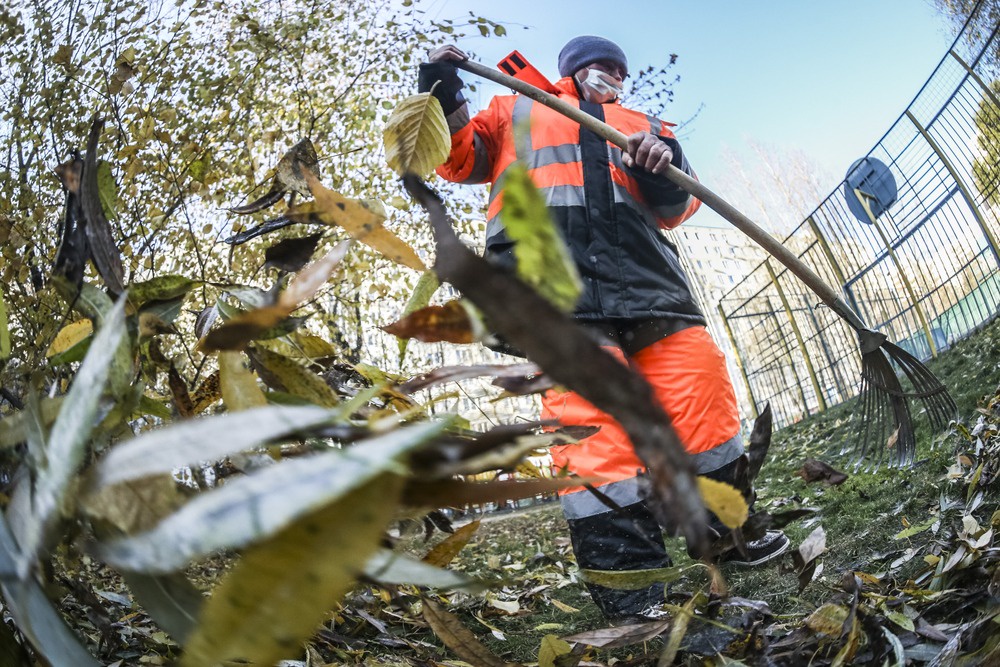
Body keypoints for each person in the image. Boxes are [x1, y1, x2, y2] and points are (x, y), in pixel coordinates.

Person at [417, 36, 789, 622]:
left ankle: (727, 532)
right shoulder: (515, 107)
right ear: (573, 70)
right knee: (594, 428)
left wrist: (662, 164)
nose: (613, 73)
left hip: (648, 284)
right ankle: (632, 587)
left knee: (701, 392)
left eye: (620, 68)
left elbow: (678, 207)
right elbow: (456, 158)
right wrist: (441, 80)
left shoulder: (645, 123)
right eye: (600, 64)